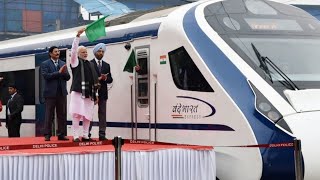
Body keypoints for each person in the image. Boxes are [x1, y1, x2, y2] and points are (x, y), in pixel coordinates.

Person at [69, 28, 99, 142]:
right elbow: (73, 51)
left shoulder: (91, 64)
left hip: (89, 93)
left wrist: (96, 95)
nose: (85, 53)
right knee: (76, 115)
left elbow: (94, 81)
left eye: (86, 52)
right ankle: (76, 136)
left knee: (88, 115)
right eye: (83, 52)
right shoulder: (75, 62)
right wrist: (77, 36)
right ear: (78, 54)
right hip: (77, 92)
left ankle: (86, 135)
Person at [41, 46, 70, 141]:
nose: (58, 53)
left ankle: (61, 134)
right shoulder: (45, 64)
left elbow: (68, 77)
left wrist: (64, 73)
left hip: (61, 93)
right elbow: (46, 76)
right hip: (50, 93)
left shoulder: (63, 63)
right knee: (49, 114)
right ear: (50, 53)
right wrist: (58, 72)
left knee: (62, 114)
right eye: (55, 51)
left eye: (58, 51)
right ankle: (47, 134)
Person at [89, 43, 113, 141]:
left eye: (102, 51)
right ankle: (87, 133)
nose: (101, 53)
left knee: (102, 114)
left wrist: (106, 78)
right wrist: (97, 78)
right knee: (89, 113)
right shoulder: (89, 64)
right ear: (95, 52)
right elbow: (88, 78)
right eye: (99, 51)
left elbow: (110, 79)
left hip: (103, 93)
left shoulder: (107, 65)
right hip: (91, 92)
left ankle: (102, 134)